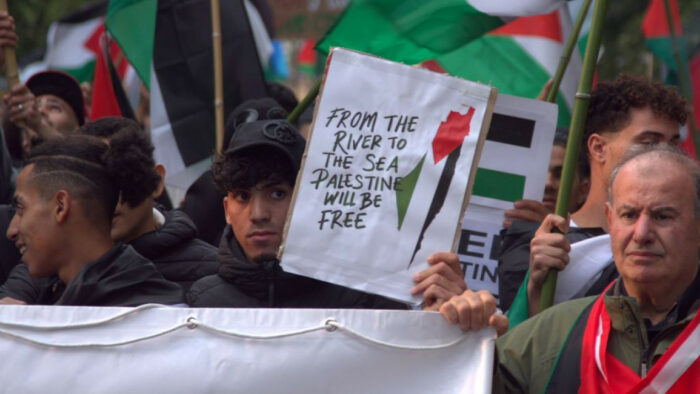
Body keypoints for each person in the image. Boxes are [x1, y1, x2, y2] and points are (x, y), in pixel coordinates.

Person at [443, 144, 700, 393]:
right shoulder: (550, 335)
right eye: (629, 215)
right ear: (610, 220)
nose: (642, 233)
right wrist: (449, 334)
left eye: (663, 216)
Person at [187, 119, 466, 309]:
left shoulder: (363, 300)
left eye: (277, 194)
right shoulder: (198, 307)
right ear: (226, 209)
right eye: (243, 196)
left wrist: (441, 326)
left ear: (308, 199)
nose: (258, 213)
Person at [497, 75, 688, 313]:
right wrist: (535, 289)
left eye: (673, 145)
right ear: (598, 148)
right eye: (649, 143)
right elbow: (518, 342)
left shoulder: (686, 244)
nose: (666, 156)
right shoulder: (532, 244)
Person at [0, 117, 218, 303]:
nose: (107, 197)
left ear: (155, 181)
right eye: (90, 182)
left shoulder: (210, 273)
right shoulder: (44, 262)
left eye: (118, 178)